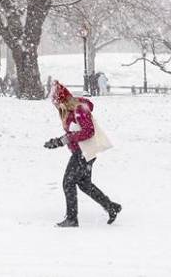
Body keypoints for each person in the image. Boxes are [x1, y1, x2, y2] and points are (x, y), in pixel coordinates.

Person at [44, 80, 121, 228]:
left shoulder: (79, 109)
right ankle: (111, 207)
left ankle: (72, 219)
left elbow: (88, 131)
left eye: (56, 101)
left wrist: (64, 140)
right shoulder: (68, 110)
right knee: (84, 184)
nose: (55, 105)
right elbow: (74, 131)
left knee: (68, 183)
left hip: (84, 152)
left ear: (63, 99)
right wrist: (57, 142)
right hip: (82, 152)